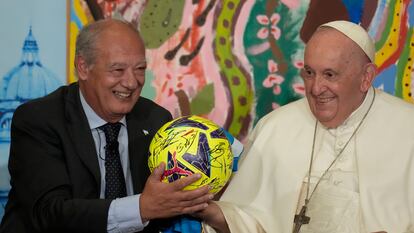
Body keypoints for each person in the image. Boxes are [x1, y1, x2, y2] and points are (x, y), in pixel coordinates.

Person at [199, 20, 414, 233]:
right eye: (309, 73)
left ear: (366, 77)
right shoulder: (275, 127)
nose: (316, 88)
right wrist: (211, 212)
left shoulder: (408, 128)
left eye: (330, 75)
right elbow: (247, 219)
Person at [0, 19, 213, 233]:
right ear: (83, 67)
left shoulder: (156, 120)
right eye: (117, 70)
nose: (131, 82)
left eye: (140, 69)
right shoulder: (39, 120)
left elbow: (169, 209)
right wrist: (141, 208)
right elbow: (49, 213)